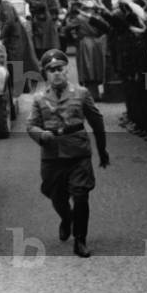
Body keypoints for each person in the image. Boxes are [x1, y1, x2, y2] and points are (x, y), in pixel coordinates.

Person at [26, 49, 109, 258]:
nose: (56, 73)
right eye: (51, 70)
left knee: (80, 196)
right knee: (56, 196)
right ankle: (66, 217)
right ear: (46, 74)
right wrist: (41, 135)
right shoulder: (39, 98)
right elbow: (31, 125)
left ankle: (80, 240)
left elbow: (97, 121)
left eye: (59, 69)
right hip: (52, 155)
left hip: (78, 152)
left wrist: (102, 149)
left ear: (66, 70)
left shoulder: (81, 93)